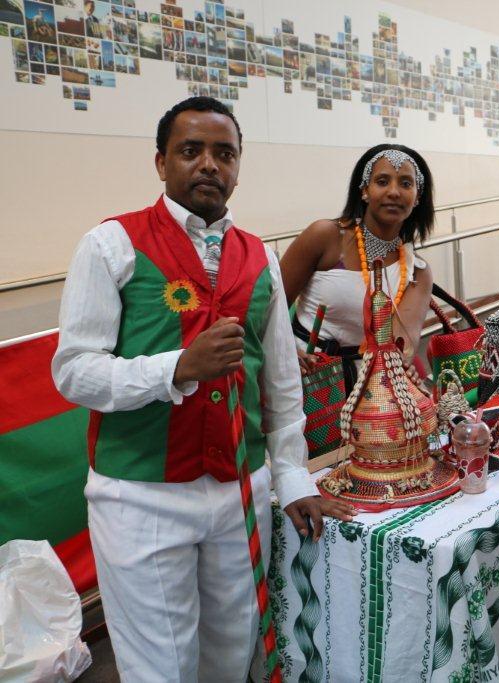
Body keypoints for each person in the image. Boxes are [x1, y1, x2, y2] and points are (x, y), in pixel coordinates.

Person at [51, 97, 345, 681]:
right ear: (161, 163)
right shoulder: (110, 244)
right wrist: (177, 368)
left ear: (238, 167)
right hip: (142, 496)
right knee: (162, 665)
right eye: (191, 151)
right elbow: (74, 371)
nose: (209, 165)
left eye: (225, 153)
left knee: (234, 653)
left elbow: (282, 386)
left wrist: (290, 479)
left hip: (241, 489)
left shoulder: (258, 256)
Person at [280, 144, 435, 391]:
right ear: (364, 190)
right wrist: (286, 350)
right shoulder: (326, 236)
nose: (394, 192)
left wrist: (402, 371)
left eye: (406, 184)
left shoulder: (417, 272)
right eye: (382, 181)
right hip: (302, 377)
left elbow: (399, 348)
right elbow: (269, 309)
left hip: (370, 388)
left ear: (417, 197)